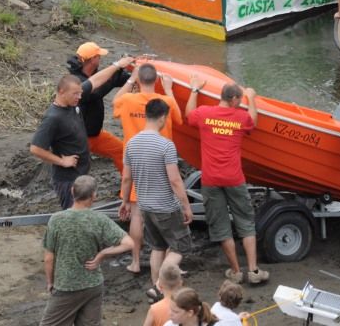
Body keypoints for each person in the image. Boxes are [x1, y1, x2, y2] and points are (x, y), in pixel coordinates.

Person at [185, 78, 269, 285]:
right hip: (234, 178)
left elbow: (188, 115)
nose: (240, 103)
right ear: (233, 99)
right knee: (245, 222)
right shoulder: (240, 117)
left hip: (211, 180)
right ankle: (254, 270)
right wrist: (251, 98)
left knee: (220, 225)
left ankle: (236, 272)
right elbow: (253, 121)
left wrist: (194, 90)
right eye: (239, 99)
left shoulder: (205, 113)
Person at [119, 99, 194, 302]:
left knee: (158, 248)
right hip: (166, 208)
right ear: (162, 117)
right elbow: (175, 180)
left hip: (145, 206)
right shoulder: (166, 145)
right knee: (180, 247)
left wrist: (125, 201)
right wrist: (186, 206)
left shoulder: (131, 144)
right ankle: (160, 287)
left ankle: (156, 289)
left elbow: (126, 178)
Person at [112, 63, 183, 274]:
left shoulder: (127, 100)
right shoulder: (165, 103)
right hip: (162, 162)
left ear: (139, 80)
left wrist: (130, 79)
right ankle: (168, 263)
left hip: (135, 162)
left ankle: (135, 262)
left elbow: (114, 101)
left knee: (137, 215)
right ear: (157, 81)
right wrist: (169, 89)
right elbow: (179, 119)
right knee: (168, 214)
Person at [38, 175, 133, 326]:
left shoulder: (56, 219)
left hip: (66, 286)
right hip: (93, 285)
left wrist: (50, 282)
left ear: (71, 191)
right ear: (94, 196)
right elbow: (129, 243)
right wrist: (102, 254)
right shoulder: (100, 219)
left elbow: (49, 257)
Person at [66, 41, 134, 173]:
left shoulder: (93, 74)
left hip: (94, 135)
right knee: (76, 172)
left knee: (121, 151)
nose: (101, 58)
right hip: (79, 138)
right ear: (92, 59)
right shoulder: (76, 81)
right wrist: (117, 68)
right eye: (99, 56)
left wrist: (130, 73)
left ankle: (129, 188)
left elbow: (115, 81)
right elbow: (97, 92)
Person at [30, 75, 91, 210]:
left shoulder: (72, 106)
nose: (79, 97)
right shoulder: (53, 118)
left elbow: (94, 82)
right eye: (75, 93)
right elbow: (35, 148)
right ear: (62, 92)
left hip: (81, 175)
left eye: (80, 93)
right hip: (68, 180)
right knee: (74, 219)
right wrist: (62, 161)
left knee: (83, 215)